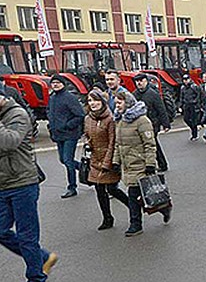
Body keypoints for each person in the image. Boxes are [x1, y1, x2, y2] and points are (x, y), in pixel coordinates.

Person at [0, 77, 55, 282]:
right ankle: (42, 258)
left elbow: (10, 141)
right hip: (3, 183)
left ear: (1, 95)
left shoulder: (17, 115)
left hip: (23, 183)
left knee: (26, 236)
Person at [112, 91, 169, 236]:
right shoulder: (120, 120)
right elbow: (118, 144)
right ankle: (163, 208)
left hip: (140, 163)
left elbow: (150, 144)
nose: (117, 106)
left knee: (133, 195)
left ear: (128, 103)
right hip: (127, 164)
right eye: (116, 103)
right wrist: (115, 162)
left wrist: (150, 164)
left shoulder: (142, 121)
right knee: (144, 196)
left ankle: (135, 224)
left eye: (120, 103)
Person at [83, 88, 129, 230]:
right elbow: (86, 134)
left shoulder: (110, 119)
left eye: (95, 100)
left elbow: (112, 142)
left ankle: (134, 207)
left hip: (108, 158)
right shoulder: (88, 118)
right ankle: (107, 218)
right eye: (90, 100)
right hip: (95, 159)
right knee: (99, 189)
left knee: (112, 189)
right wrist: (87, 143)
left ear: (102, 102)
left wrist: (108, 162)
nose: (93, 103)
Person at [46, 75, 85, 198]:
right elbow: (50, 113)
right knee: (63, 160)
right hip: (58, 134)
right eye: (53, 83)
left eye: (58, 82)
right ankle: (86, 171)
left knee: (68, 160)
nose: (55, 85)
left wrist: (68, 125)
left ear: (63, 84)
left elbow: (80, 115)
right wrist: (51, 127)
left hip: (70, 134)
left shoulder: (70, 98)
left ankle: (72, 187)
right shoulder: (52, 98)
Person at [132, 73, 170, 171]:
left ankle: (162, 164)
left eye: (141, 81)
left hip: (152, 123)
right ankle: (149, 165)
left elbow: (161, 109)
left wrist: (166, 124)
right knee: (146, 145)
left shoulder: (152, 94)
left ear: (146, 81)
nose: (139, 83)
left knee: (153, 144)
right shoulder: (134, 94)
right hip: (140, 124)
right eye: (137, 81)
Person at [179, 74, 203, 139]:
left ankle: (194, 134)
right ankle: (193, 129)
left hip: (193, 105)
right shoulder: (182, 88)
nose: (185, 81)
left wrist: (196, 102)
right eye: (184, 80)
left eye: (186, 80)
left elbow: (199, 95)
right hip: (186, 105)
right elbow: (181, 97)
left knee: (194, 120)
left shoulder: (194, 86)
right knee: (186, 119)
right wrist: (180, 106)